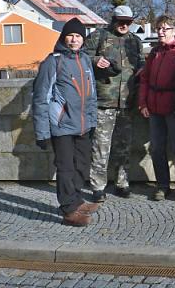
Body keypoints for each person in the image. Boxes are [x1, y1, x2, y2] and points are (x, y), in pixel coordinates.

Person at [32, 18, 99, 226]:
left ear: (83, 39)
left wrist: (92, 121)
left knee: (82, 165)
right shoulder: (53, 61)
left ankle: (77, 200)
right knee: (66, 168)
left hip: (83, 125)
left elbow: (92, 94)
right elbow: (41, 97)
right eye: (70, 35)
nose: (74, 39)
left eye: (78, 36)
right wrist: (42, 132)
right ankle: (69, 210)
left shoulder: (86, 60)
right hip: (61, 126)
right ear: (63, 37)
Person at [84, 5, 144, 203]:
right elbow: (82, 56)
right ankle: (98, 187)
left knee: (124, 146)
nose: (125, 25)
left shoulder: (135, 42)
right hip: (104, 101)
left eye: (128, 22)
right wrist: (96, 60)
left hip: (127, 102)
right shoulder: (98, 36)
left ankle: (122, 183)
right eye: (121, 21)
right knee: (100, 146)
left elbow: (142, 66)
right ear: (114, 20)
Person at [138, 15, 175, 202]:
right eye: (159, 28)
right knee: (157, 148)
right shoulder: (155, 52)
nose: (160, 32)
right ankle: (162, 185)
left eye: (165, 28)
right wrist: (143, 103)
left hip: (174, 107)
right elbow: (145, 78)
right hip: (154, 107)